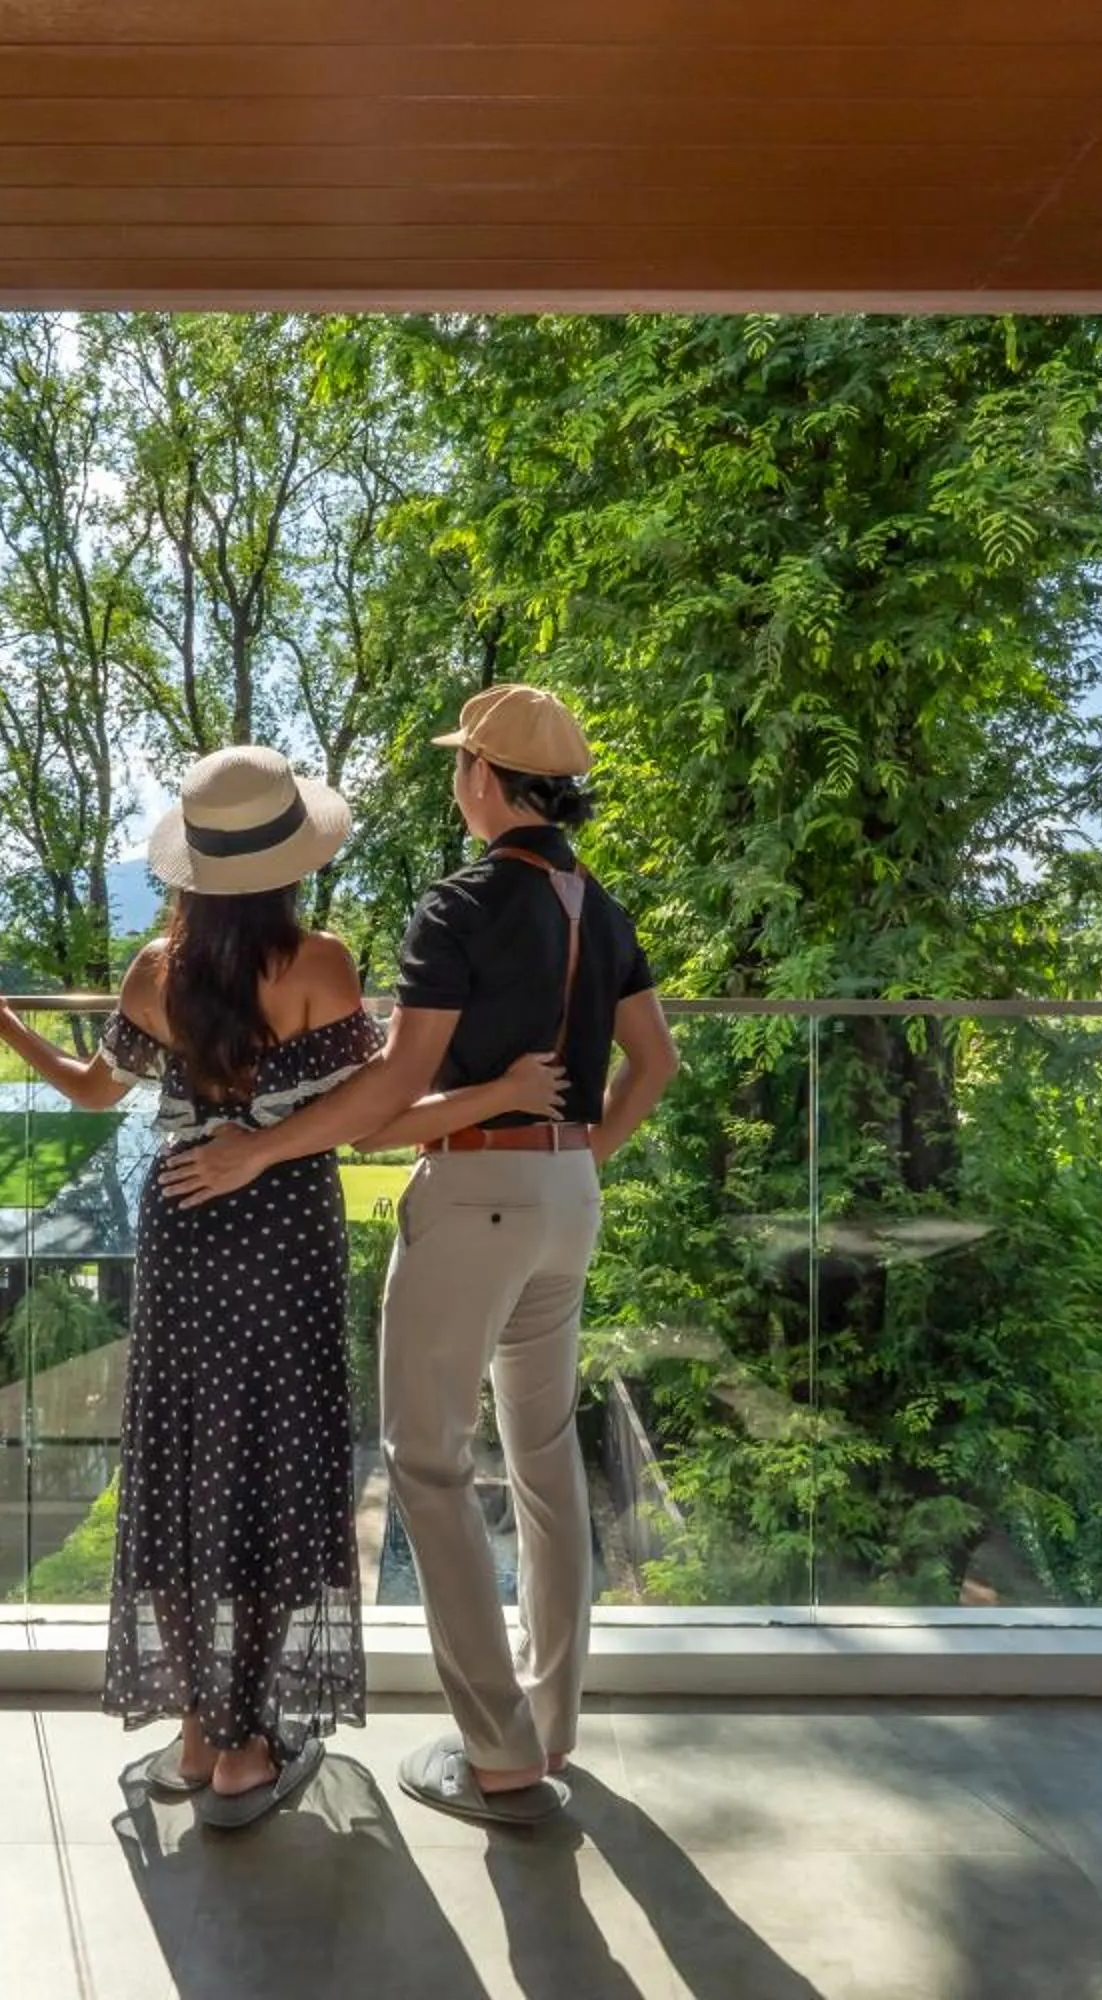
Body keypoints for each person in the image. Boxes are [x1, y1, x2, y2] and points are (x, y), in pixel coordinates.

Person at [0, 744, 563, 1831]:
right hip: (283, 1242)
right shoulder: (325, 963)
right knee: (275, 1463)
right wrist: (497, 1089)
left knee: (182, 1460)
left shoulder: (150, 971)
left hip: (182, 1230)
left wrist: (2, 1022)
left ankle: (193, 1723)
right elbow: (368, 1114)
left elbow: (90, 1090)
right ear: (288, 862)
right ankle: (248, 1743)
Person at [162, 686, 677, 1827]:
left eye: (461, 766)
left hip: (480, 1191)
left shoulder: (461, 905)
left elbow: (393, 1091)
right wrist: (577, 1149)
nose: (459, 782)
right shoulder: (603, 903)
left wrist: (264, 1148)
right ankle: (549, 1723)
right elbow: (657, 1062)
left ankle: (497, 1756)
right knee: (543, 1457)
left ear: (485, 780)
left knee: (428, 1461)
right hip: (567, 1194)